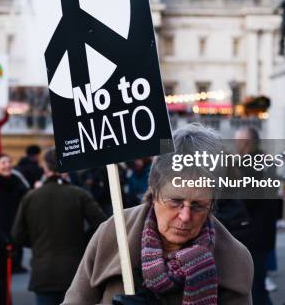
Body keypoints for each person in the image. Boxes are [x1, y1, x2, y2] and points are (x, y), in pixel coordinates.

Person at [63, 123, 253, 305]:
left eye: (198, 205)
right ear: (154, 190)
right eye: (175, 201)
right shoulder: (112, 233)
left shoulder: (235, 259)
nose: (185, 216)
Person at [13, 148, 107, 305]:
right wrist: (83, 241)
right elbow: (102, 224)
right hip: (74, 270)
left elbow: (17, 234)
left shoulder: (31, 197)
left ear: (45, 167)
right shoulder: (78, 194)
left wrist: (37, 242)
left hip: (43, 270)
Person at [233, 126, 278, 305]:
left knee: (255, 287)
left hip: (253, 234)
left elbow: (248, 200)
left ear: (247, 143)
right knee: (255, 285)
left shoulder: (253, 164)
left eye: (239, 141)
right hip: (260, 232)